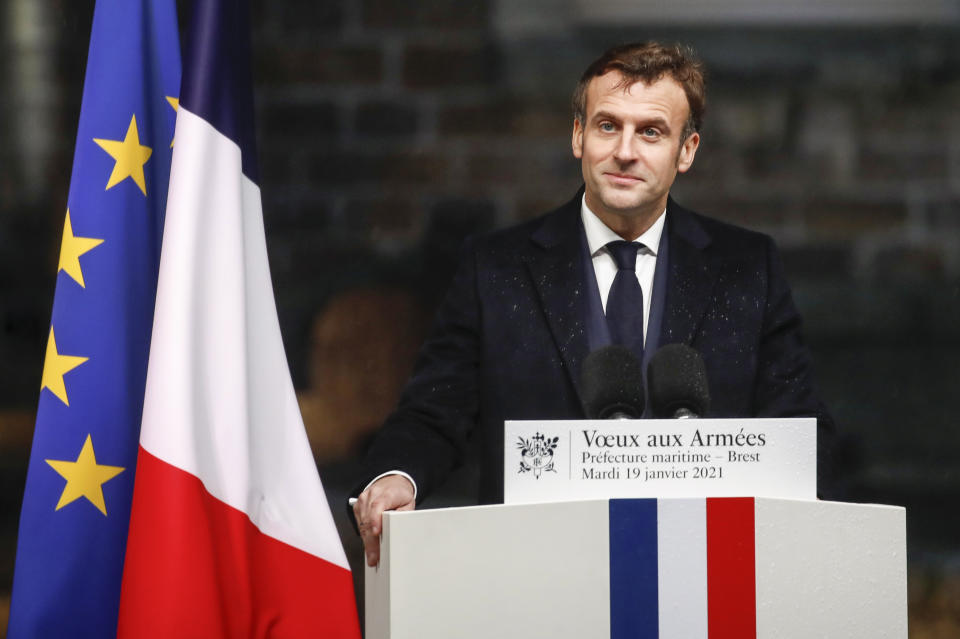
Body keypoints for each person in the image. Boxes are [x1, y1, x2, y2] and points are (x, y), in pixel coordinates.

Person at [351, 41, 835, 566]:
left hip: (701, 574)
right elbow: (434, 410)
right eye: (608, 125)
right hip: (535, 572)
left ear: (687, 150)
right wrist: (397, 475)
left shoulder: (747, 268)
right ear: (578, 135)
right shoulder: (497, 268)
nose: (625, 150)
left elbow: (800, 432)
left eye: (651, 131)